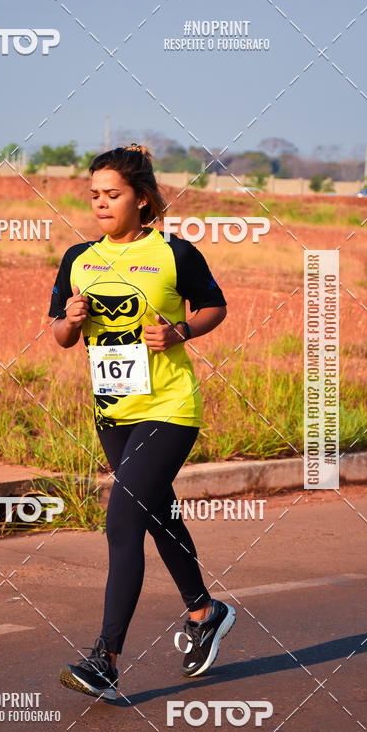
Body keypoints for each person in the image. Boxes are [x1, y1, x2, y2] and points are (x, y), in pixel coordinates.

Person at [48, 143, 234, 701]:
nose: (101, 204)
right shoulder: (78, 257)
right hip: (113, 411)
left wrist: (181, 331)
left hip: (169, 408)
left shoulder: (174, 253)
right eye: (95, 195)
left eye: (113, 194)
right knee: (156, 515)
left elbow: (215, 305)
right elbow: (58, 334)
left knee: (122, 523)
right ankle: (205, 611)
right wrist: (71, 320)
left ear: (142, 199)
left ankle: (105, 657)